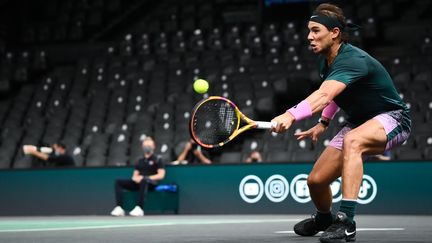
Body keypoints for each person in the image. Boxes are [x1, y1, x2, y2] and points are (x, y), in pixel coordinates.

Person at [270, 3, 411, 243]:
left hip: (392, 118)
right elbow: (335, 94)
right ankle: (324, 219)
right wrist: (323, 122)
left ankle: (346, 222)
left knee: (352, 140)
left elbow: (324, 95)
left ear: (334, 33)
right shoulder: (326, 61)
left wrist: (291, 114)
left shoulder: (353, 59)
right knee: (316, 181)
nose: (309, 37)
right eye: (309, 31)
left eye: (316, 30)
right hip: (359, 122)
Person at [110, 137, 166, 217]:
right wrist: (137, 179)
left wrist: (146, 178)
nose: (147, 147)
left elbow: (161, 175)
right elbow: (135, 175)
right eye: (145, 145)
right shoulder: (139, 160)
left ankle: (139, 208)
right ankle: (119, 208)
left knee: (144, 180)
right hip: (139, 182)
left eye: (149, 145)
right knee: (118, 182)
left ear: (153, 146)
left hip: (151, 183)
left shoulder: (158, 159)